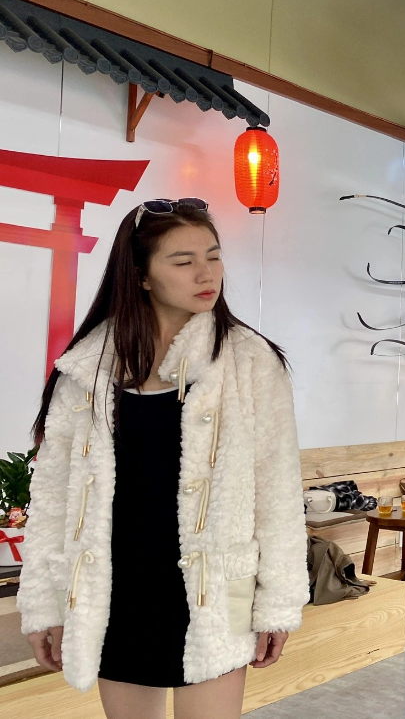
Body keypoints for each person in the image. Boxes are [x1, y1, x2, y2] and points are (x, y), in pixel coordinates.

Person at [19, 199, 308, 719]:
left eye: (214, 257)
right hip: (114, 591)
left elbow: (279, 494)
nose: (207, 273)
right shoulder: (86, 368)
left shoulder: (248, 362)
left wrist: (279, 604)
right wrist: (43, 603)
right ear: (142, 277)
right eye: (182, 261)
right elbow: (52, 499)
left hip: (210, 590)